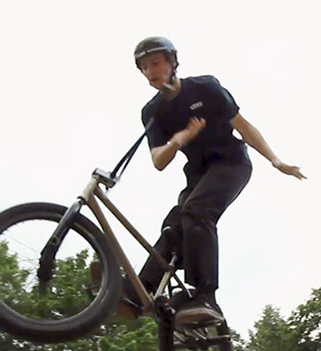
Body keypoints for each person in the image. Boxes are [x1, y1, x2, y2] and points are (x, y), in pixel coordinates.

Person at [124, 36, 305, 325]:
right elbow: (159, 161)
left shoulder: (206, 88)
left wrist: (275, 160)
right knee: (173, 227)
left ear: (172, 62)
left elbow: (244, 127)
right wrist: (178, 140)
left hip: (231, 164)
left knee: (196, 211)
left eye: (155, 63)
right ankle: (138, 292)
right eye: (144, 67)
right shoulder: (153, 111)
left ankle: (206, 296)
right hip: (198, 174)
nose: (150, 72)